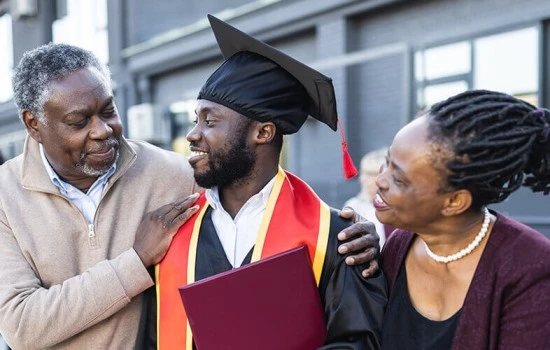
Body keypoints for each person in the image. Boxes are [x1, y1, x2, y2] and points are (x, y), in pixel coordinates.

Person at [0, 43, 380, 349]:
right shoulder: (6, 195)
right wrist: (136, 261)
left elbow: (250, 181)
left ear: (264, 133)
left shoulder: (180, 176)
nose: (192, 136)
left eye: (109, 111)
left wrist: (366, 232)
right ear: (33, 124)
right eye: (79, 122)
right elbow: (21, 326)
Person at [156, 15, 387, 350]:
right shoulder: (172, 229)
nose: (192, 134)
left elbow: (359, 342)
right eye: (196, 120)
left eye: (210, 121)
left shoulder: (335, 236)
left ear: (263, 132)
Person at [378, 90, 550, 349]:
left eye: (399, 179)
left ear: (455, 202)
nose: (379, 181)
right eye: (386, 162)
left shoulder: (531, 269)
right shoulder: (397, 247)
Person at [345, 147, 394, 246]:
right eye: (363, 173)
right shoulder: (354, 206)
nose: (362, 179)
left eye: (369, 174)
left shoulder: (401, 208)